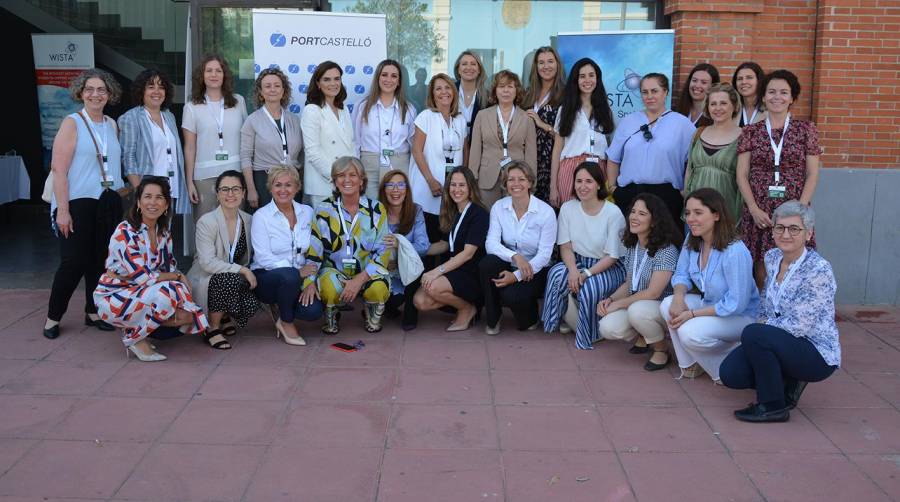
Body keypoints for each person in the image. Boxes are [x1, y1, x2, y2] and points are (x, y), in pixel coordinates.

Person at [720, 201, 840, 422]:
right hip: (783, 341)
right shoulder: (772, 257)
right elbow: (766, 303)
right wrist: (762, 330)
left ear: (808, 233)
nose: (786, 234)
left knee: (754, 334)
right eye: (780, 228)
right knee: (731, 374)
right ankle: (787, 382)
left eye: (794, 229)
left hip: (815, 351)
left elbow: (800, 325)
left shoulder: (818, 269)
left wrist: (760, 332)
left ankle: (773, 406)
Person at [44, 68, 127, 340]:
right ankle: (52, 317)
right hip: (77, 201)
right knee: (73, 262)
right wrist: (63, 211)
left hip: (106, 204)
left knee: (100, 261)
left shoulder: (112, 125)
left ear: (109, 94)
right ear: (81, 92)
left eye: (101, 89)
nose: (95, 94)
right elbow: (58, 168)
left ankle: (93, 312)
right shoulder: (72, 122)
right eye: (90, 89)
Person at [94, 178, 210, 361]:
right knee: (169, 290)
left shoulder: (163, 233)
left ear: (166, 205)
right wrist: (177, 276)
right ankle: (134, 338)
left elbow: (169, 266)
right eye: (147, 197)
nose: (153, 203)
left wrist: (178, 281)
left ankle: (138, 328)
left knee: (184, 309)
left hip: (144, 291)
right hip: (115, 295)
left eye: (159, 198)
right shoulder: (125, 231)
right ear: (139, 202)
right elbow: (143, 277)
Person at [660, 188, 760, 381]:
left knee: (689, 332)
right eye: (688, 213)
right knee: (668, 305)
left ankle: (729, 364)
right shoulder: (693, 239)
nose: (691, 219)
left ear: (716, 215)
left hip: (741, 317)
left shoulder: (735, 251)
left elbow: (736, 303)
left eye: (698, 213)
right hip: (710, 304)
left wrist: (691, 314)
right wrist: (679, 297)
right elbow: (681, 273)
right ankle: (690, 364)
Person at [736, 69, 821, 288]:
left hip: (793, 206)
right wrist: (753, 208)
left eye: (784, 92)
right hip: (759, 211)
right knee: (761, 267)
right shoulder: (750, 132)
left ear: (792, 98)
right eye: (771, 92)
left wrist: (800, 210)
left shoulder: (806, 130)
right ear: (763, 96)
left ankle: (788, 314)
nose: (777, 97)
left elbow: (812, 173)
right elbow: (742, 174)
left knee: (794, 263)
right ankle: (764, 313)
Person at [542, 162, 626, 349]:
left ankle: (589, 333)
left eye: (589, 181)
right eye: (579, 181)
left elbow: (612, 256)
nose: (582, 186)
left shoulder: (613, 213)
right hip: (578, 261)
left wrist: (586, 273)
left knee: (589, 286)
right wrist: (573, 271)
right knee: (557, 273)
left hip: (608, 265)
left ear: (599, 184)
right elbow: (565, 246)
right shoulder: (568, 208)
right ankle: (555, 321)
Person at [597, 193, 682, 370]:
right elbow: (630, 284)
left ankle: (661, 349)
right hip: (639, 304)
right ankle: (645, 335)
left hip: (662, 306)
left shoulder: (666, 249)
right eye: (633, 212)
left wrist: (619, 304)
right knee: (607, 327)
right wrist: (610, 300)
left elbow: (653, 292)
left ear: (654, 220)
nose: (634, 217)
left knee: (637, 311)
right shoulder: (633, 245)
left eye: (642, 214)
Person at [309, 157, 391, 334]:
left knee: (378, 289)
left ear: (362, 180)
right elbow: (315, 251)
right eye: (341, 175)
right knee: (330, 288)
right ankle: (332, 311)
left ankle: (371, 309)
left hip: (366, 270)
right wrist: (308, 282)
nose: (347, 180)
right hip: (335, 270)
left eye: (353, 175)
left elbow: (383, 251)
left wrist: (359, 280)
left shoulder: (376, 209)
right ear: (334, 181)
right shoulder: (323, 209)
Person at [606, 73, 696, 225]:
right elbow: (614, 158)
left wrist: (683, 192)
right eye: (644, 92)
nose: (649, 96)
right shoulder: (628, 121)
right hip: (630, 194)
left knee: (664, 243)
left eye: (654, 91)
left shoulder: (682, 124)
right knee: (629, 241)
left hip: (666, 196)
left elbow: (693, 162)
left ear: (665, 92)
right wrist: (613, 188)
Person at [250, 166, 323, 346]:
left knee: (312, 311)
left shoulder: (308, 212)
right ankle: (286, 322)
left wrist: (310, 280)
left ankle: (283, 305)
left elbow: (316, 250)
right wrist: (298, 272)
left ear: (297, 188)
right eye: (278, 185)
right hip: (267, 278)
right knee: (289, 275)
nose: (283, 190)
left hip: (300, 277)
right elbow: (263, 257)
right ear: (270, 188)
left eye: (288, 185)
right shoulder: (261, 216)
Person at [480, 161, 555, 334]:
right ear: (505, 184)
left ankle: (531, 317)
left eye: (521, 179)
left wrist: (515, 276)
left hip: (536, 268)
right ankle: (493, 318)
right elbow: (490, 243)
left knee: (513, 298)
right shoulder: (499, 207)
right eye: (511, 180)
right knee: (487, 264)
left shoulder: (546, 212)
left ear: (530, 183)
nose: (516, 184)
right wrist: (515, 257)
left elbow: (544, 255)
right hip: (510, 261)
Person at [187, 170, 259, 343]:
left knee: (249, 292)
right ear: (217, 194)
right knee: (227, 279)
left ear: (243, 192)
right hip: (207, 277)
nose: (230, 194)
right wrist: (242, 270)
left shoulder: (249, 220)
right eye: (224, 189)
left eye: (235, 189)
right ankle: (212, 328)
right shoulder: (207, 221)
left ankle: (224, 313)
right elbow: (207, 262)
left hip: (232, 277)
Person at [413, 167, 489, 331]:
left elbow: (468, 254)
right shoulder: (453, 211)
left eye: (462, 185)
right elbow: (445, 244)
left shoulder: (478, 214)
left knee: (432, 286)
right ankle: (465, 305)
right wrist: (412, 249)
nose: (457, 189)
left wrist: (436, 271)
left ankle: (467, 309)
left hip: (472, 273)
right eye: (453, 185)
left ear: (470, 187)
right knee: (420, 301)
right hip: (455, 270)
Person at [183, 55, 248, 221]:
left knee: (235, 225)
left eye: (218, 70)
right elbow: (190, 147)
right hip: (204, 177)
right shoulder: (191, 107)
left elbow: (246, 140)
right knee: (207, 226)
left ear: (224, 75)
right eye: (209, 70)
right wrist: (189, 182)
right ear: (202, 75)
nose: (214, 74)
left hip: (235, 174)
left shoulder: (238, 102)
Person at [118, 68, 190, 215]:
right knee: (146, 235)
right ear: (141, 91)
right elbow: (128, 157)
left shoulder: (168, 116)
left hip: (171, 187)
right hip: (148, 192)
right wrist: (141, 191)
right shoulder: (131, 118)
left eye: (161, 87)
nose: (157, 91)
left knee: (164, 234)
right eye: (151, 87)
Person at [408, 73, 469, 245]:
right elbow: (417, 151)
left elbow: (465, 153)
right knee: (426, 240)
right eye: (438, 89)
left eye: (448, 87)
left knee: (446, 241)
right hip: (427, 187)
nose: (444, 92)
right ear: (432, 94)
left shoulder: (460, 120)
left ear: (454, 92)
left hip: (452, 191)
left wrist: (462, 182)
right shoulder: (425, 116)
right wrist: (430, 180)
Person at [550, 58, 614, 208]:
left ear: (597, 78)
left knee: (597, 216)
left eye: (591, 75)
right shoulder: (565, 110)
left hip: (598, 169)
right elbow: (557, 149)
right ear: (576, 80)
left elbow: (612, 148)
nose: (587, 80)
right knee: (569, 216)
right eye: (582, 76)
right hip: (570, 169)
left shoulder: (605, 110)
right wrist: (553, 187)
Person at [469, 70, 537, 208]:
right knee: (486, 219)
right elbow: (475, 150)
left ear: (517, 90)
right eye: (501, 86)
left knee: (514, 218)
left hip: (518, 178)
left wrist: (531, 181)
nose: (506, 90)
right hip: (487, 178)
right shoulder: (482, 116)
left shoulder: (526, 119)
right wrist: (472, 177)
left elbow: (531, 154)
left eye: (510, 86)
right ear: (495, 91)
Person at [353, 59, 417, 199]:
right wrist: (357, 170)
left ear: (399, 81)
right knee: (371, 211)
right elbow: (355, 141)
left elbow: (414, 144)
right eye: (384, 75)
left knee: (397, 212)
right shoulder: (362, 106)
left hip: (400, 166)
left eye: (394, 76)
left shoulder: (409, 109)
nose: (389, 79)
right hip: (369, 166)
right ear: (377, 78)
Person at [240, 67, 303, 210]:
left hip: (291, 181)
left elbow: (302, 155)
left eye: (277, 86)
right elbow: (245, 157)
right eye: (267, 86)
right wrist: (251, 189)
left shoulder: (294, 120)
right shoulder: (252, 121)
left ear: (283, 91)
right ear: (261, 93)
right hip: (264, 182)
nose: (272, 89)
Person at [684, 83, 744, 222]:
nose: (717, 108)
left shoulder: (744, 136)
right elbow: (689, 170)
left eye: (723, 103)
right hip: (695, 211)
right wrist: (687, 198)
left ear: (734, 106)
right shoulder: (698, 133)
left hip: (726, 211)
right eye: (713, 104)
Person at [379, 170, 430, 330]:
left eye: (401, 185)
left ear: (407, 190)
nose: (396, 190)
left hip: (407, 270)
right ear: (383, 190)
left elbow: (423, 246)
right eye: (390, 185)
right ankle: (382, 308)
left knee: (418, 260)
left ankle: (410, 314)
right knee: (390, 300)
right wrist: (385, 261)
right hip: (382, 268)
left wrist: (400, 245)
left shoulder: (416, 211)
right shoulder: (375, 211)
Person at [302, 61, 357, 208]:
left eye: (337, 78)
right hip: (324, 184)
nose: (333, 83)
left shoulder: (343, 108)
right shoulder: (311, 110)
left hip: (347, 183)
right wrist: (337, 177)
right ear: (318, 83)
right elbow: (312, 152)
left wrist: (353, 175)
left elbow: (351, 144)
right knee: (327, 230)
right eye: (327, 79)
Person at [522, 46, 566, 202]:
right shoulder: (527, 94)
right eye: (541, 62)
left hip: (552, 165)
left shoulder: (566, 95)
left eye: (550, 61)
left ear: (557, 65)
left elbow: (568, 136)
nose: (546, 66)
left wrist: (542, 124)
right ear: (536, 67)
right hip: (528, 163)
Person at [453, 50, 487, 140]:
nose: (469, 67)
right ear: (458, 70)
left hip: (479, 146)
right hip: (452, 147)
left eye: (473, 64)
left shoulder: (488, 96)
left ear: (479, 70)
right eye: (464, 64)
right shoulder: (448, 93)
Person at [675, 63, 720, 127]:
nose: (697, 85)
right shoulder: (679, 109)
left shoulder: (716, 115)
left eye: (704, 82)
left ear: (713, 86)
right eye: (694, 80)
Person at [732, 62, 767, 127]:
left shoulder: (771, 109)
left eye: (749, 77)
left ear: (759, 80)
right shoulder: (732, 109)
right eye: (740, 79)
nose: (744, 82)